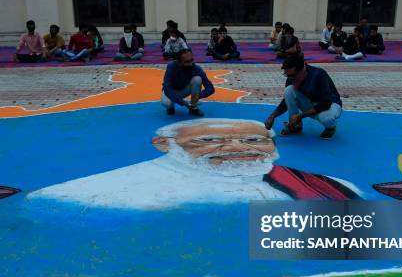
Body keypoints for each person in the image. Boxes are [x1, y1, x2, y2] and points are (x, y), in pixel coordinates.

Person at [29, 118, 360, 210]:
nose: (236, 148)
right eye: (208, 140)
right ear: (164, 144)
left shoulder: (331, 187)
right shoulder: (88, 196)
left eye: (254, 140)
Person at [265, 53, 343, 140]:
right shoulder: (291, 77)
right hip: (311, 102)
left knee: (327, 119)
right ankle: (295, 125)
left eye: (292, 75)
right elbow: (286, 101)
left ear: (302, 70)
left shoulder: (319, 74)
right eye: (287, 75)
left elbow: (326, 103)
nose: (289, 78)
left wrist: (300, 116)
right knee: (289, 90)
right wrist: (272, 116)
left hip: (330, 103)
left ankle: (330, 128)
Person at [161, 49, 214, 116]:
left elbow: (210, 88)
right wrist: (183, 102)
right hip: (172, 90)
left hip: (184, 89)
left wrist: (198, 95)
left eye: (192, 60)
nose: (191, 63)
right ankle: (171, 107)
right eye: (187, 62)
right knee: (166, 103)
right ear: (179, 62)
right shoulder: (171, 66)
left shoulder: (196, 68)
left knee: (197, 79)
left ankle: (193, 107)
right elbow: (166, 88)